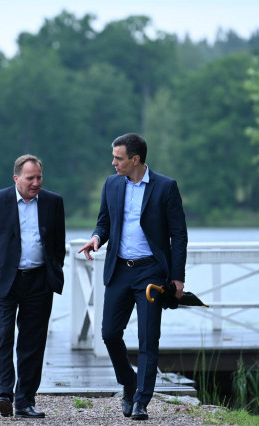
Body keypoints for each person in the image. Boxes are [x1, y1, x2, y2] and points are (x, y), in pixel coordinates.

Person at [78, 133, 188, 421]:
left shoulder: (165, 187)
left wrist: (177, 277)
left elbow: (179, 235)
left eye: (118, 158)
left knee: (148, 339)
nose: (113, 162)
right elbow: (104, 221)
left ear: (135, 159)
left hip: (151, 271)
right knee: (109, 333)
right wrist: (96, 238)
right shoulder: (112, 184)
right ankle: (129, 383)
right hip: (118, 269)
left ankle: (141, 400)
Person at [0, 154, 66, 419]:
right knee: (4, 338)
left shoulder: (53, 202)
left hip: (39, 281)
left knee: (32, 343)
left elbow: (59, 244)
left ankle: (24, 402)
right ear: (16, 178)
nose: (36, 182)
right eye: (30, 178)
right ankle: (4, 395)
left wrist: (53, 272)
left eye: (39, 177)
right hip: (3, 282)